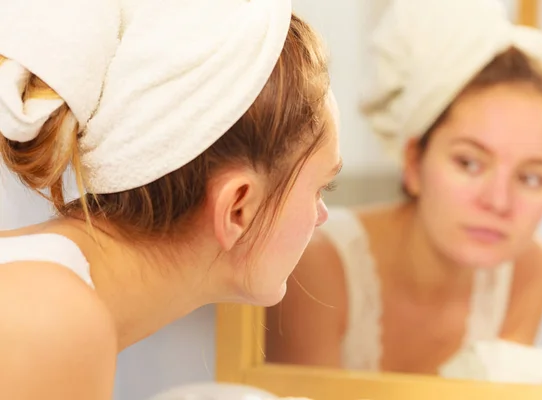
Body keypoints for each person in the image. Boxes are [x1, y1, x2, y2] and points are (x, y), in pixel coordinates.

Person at [0, 0, 341, 398]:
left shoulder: (43, 292)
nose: (322, 216)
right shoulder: (49, 322)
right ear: (238, 208)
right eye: (319, 189)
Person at [265, 0, 542, 376]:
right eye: (469, 163)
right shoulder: (316, 266)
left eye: (531, 178)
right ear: (413, 162)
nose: (498, 201)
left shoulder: (527, 270)